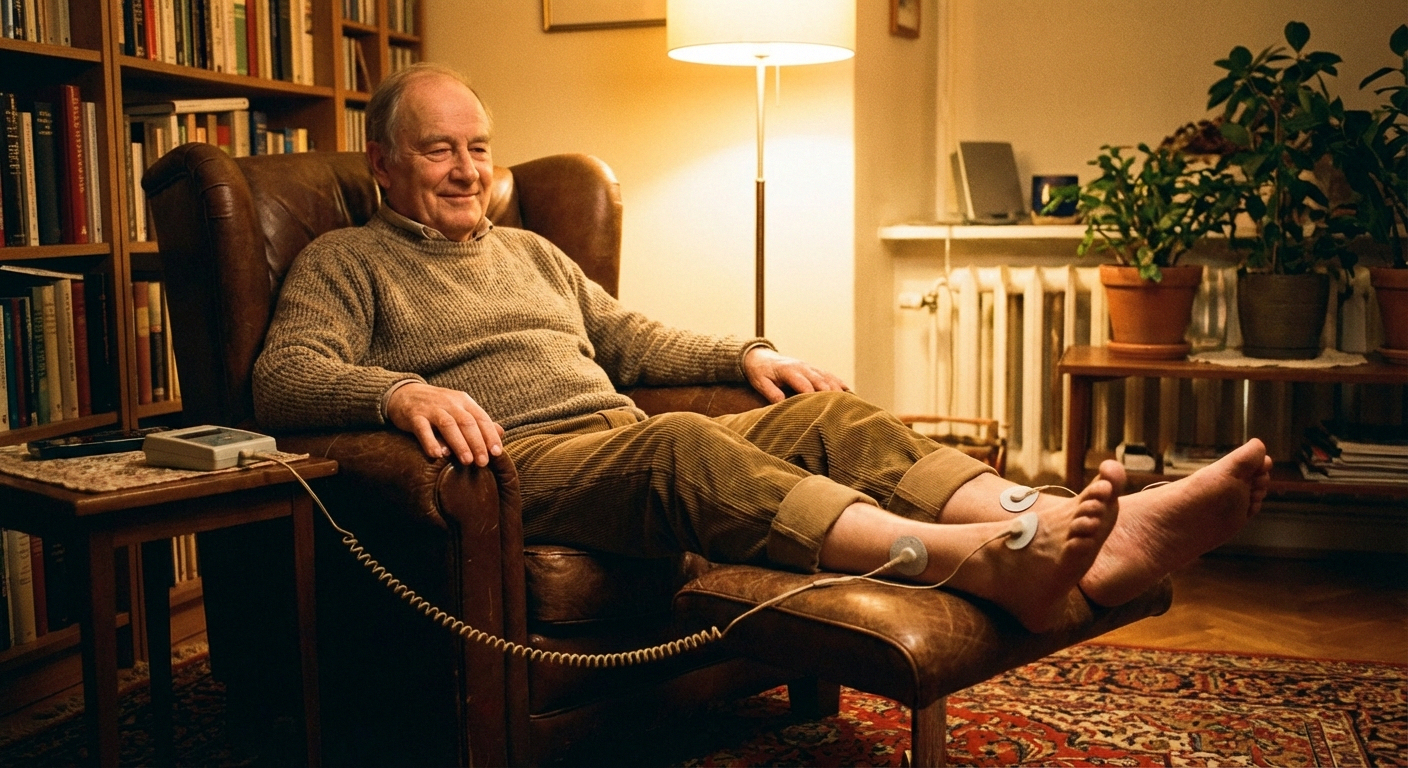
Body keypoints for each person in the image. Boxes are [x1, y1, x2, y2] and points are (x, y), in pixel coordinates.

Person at [253, 63, 1274, 634]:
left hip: (609, 436)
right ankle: (975, 563)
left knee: (826, 410)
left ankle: (1060, 523)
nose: (467, 168)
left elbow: (628, 337)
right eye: (438, 149)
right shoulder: (347, 261)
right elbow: (283, 374)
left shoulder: (529, 250)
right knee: (685, 448)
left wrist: (748, 352)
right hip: (528, 464)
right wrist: (395, 395)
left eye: (478, 147)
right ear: (383, 163)